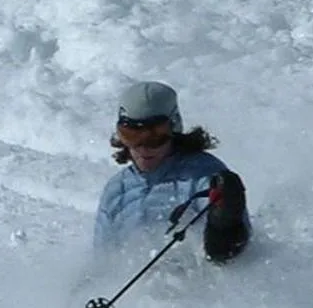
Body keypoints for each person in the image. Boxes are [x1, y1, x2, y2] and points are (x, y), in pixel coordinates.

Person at [94, 80, 249, 262]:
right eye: (133, 136)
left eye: (155, 137)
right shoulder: (117, 190)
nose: (144, 148)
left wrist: (224, 228)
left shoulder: (202, 175)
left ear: (174, 127)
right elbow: (100, 260)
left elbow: (237, 253)